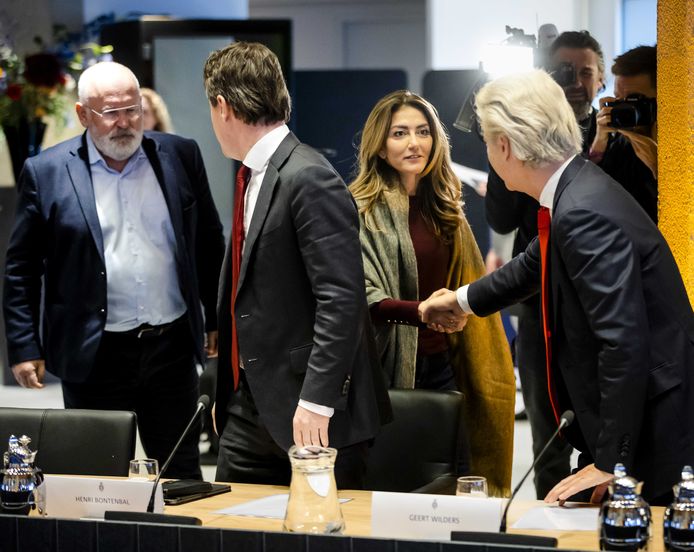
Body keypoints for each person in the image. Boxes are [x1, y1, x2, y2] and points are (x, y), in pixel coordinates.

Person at [420, 69, 694, 505]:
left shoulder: (582, 211)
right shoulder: (575, 188)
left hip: (653, 429)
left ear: (504, 146)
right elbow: (535, 262)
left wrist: (611, 462)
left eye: (488, 141)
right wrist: (462, 300)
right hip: (641, 417)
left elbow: (622, 342)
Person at [3, 61, 225, 479]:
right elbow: (21, 268)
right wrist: (23, 344)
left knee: (180, 475)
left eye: (133, 109)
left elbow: (209, 241)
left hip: (170, 347)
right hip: (94, 352)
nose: (125, 123)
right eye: (111, 113)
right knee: (95, 478)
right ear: (84, 115)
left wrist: (214, 318)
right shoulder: (47, 171)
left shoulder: (179, 154)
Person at [204, 41, 391, 489]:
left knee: (320, 535)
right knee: (230, 529)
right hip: (249, 405)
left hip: (313, 410)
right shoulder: (251, 172)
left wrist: (318, 400)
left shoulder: (308, 175)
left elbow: (342, 299)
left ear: (223, 106)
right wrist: (226, 388)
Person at [349, 90, 515, 497]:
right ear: (380, 146)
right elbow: (358, 294)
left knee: (453, 485)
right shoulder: (357, 208)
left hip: (443, 365)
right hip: (383, 373)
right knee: (390, 489)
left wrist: (456, 310)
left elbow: (467, 282)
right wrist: (421, 311)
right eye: (400, 133)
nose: (414, 143)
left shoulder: (445, 207)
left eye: (423, 132)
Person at [482, 30, 607, 498]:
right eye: (562, 72)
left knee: (601, 419)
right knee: (546, 432)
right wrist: (501, 142)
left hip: (596, 304)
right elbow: (499, 216)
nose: (574, 82)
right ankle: (551, 522)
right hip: (537, 302)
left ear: (601, 79)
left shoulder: (619, 129)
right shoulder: (521, 141)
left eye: (585, 72)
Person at [589, 45, 658, 222]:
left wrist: (659, 167)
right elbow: (590, 196)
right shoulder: (622, 141)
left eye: (634, 99)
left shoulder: (681, 144)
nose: (625, 109)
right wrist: (600, 139)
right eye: (619, 99)